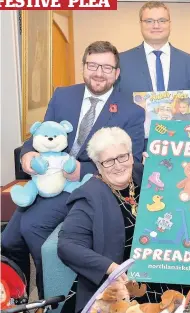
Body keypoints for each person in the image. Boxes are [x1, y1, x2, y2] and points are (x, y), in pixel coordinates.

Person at [1, 41, 145, 299]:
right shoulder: (63, 95)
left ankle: (48, 301)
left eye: (106, 67)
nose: (99, 73)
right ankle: (16, 298)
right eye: (92, 65)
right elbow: (42, 135)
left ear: (117, 73)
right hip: (47, 179)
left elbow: (131, 162)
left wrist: (81, 170)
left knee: (32, 226)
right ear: (83, 67)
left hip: (85, 187)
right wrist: (28, 154)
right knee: (8, 240)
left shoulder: (131, 112)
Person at [58, 127, 190, 313]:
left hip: (162, 265)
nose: (118, 165)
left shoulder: (140, 173)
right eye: (108, 161)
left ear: (131, 155)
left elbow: (177, 194)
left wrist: (162, 168)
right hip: (124, 283)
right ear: (97, 164)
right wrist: (112, 269)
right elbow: (67, 246)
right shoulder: (89, 196)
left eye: (123, 156)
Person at [119, 1, 190, 136]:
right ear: (140, 24)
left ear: (170, 23)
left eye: (162, 20)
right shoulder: (121, 61)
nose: (156, 26)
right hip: (135, 142)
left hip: (178, 140)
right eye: (149, 21)